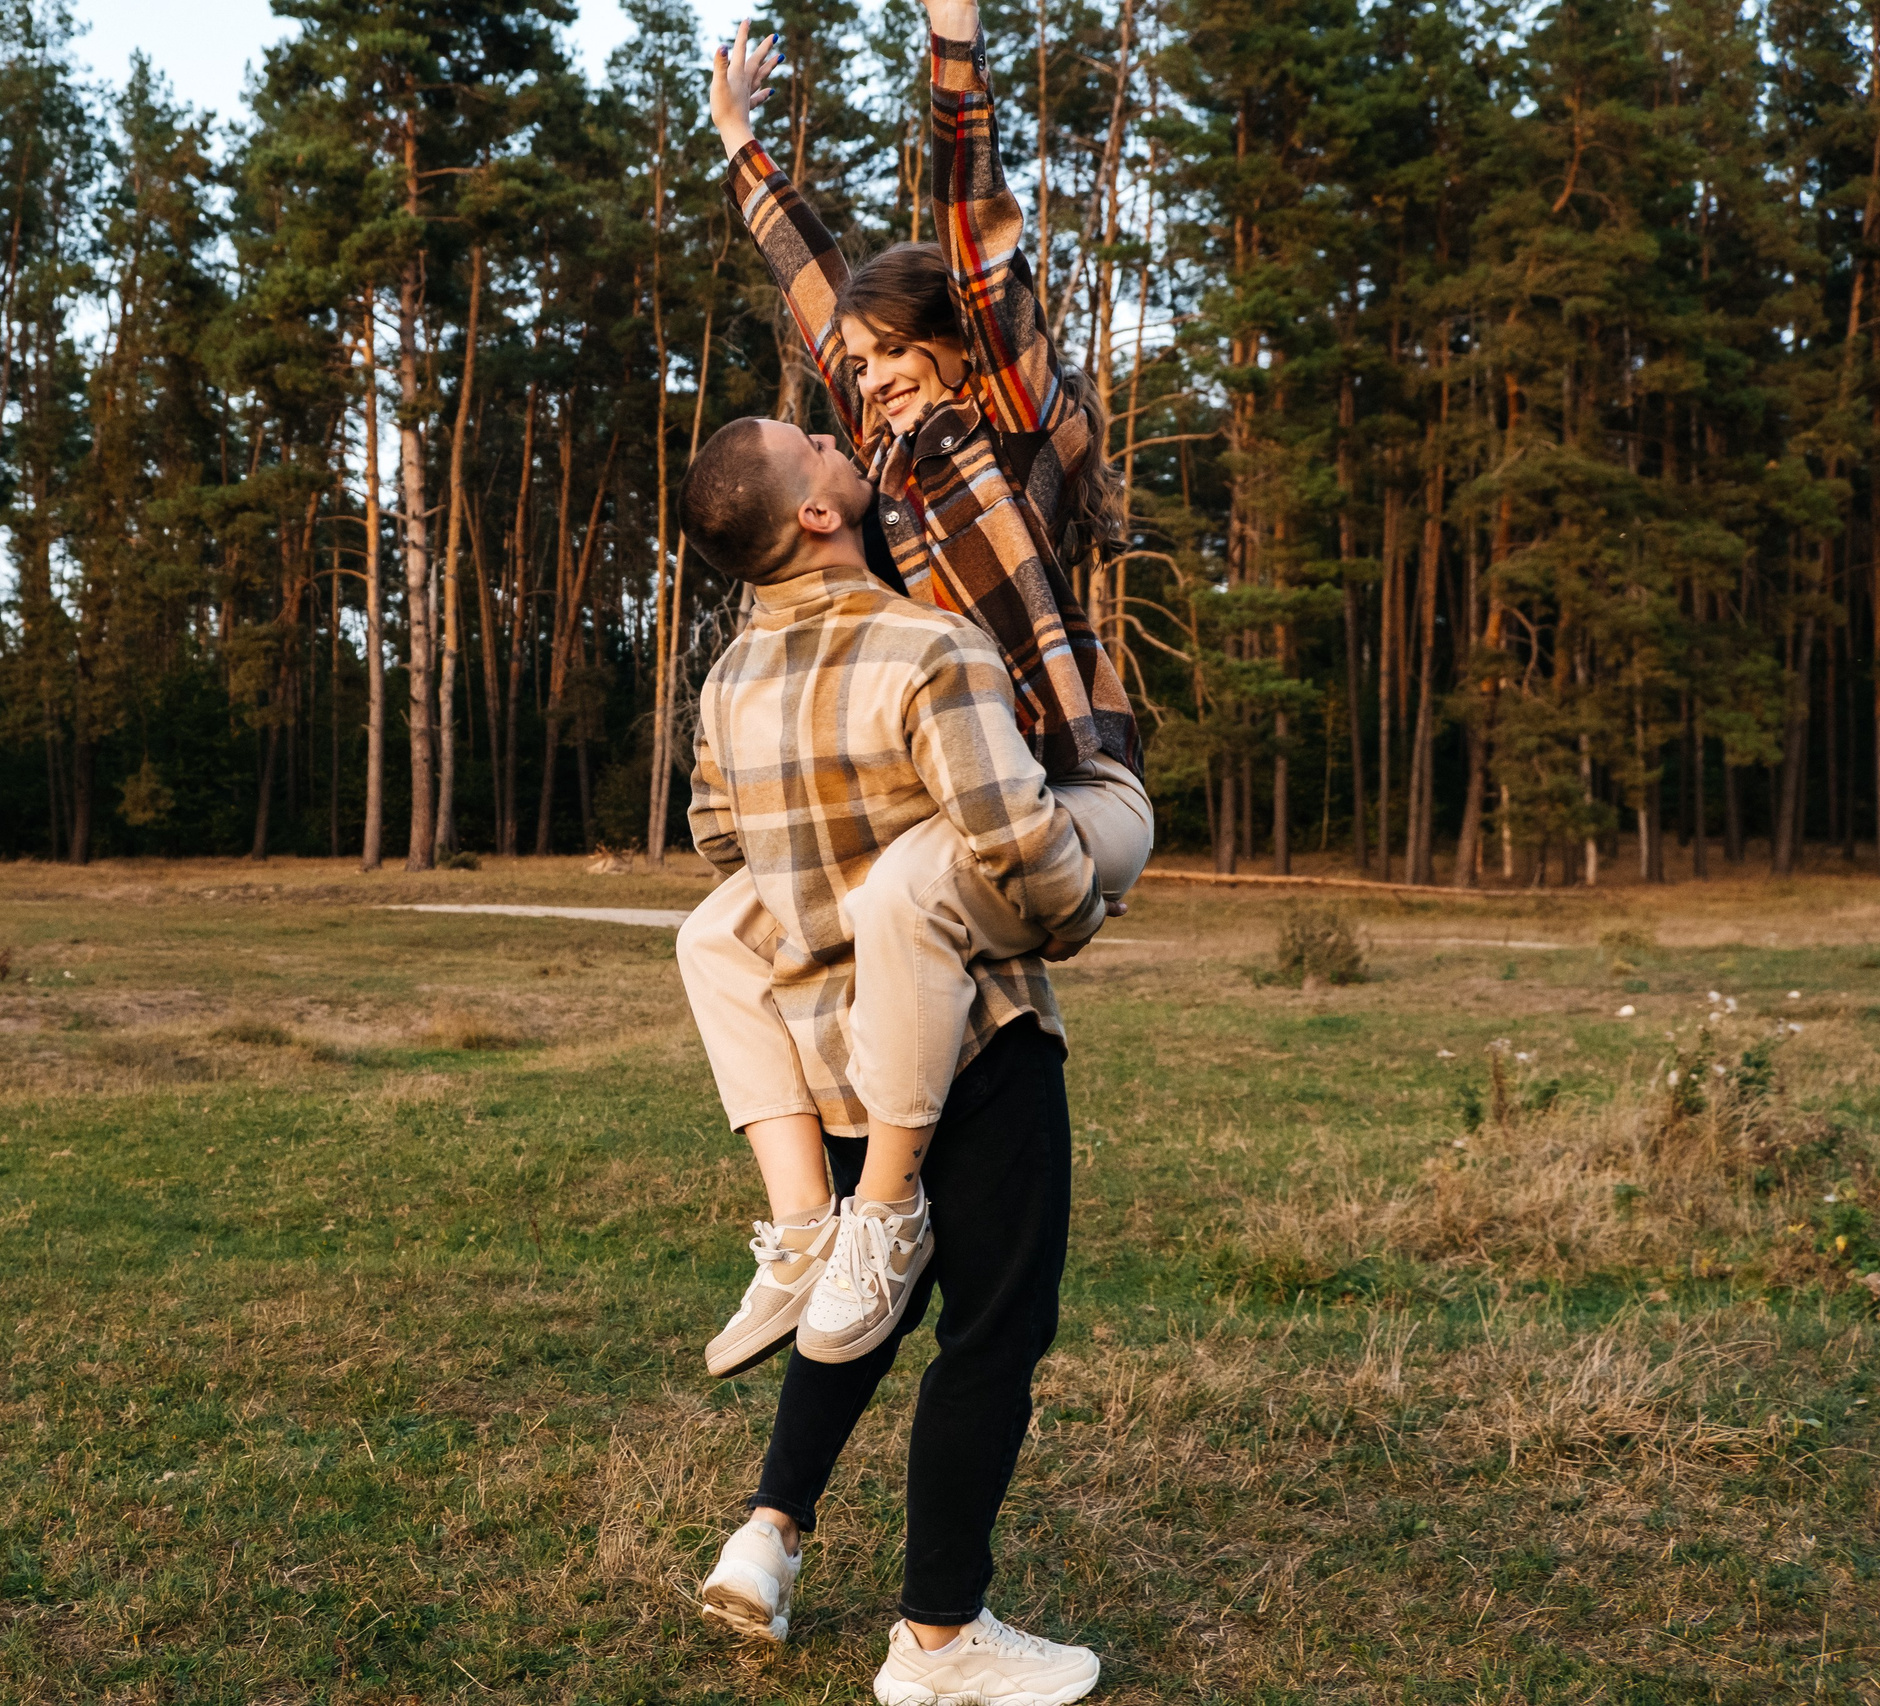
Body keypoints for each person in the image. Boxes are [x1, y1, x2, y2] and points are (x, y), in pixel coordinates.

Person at [674, 7, 1139, 1702]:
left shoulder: (1001, 425)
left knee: (896, 1243)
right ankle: (929, 1629)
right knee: (963, 1280)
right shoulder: (860, 489)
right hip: (970, 902)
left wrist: (955, 47)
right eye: (840, 384)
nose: (850, 387)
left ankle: (776, 1525)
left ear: (953, 352)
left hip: (1024, 808)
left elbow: (973, 233)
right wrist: (740, 152)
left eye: (881, 363)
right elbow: (822, 296)